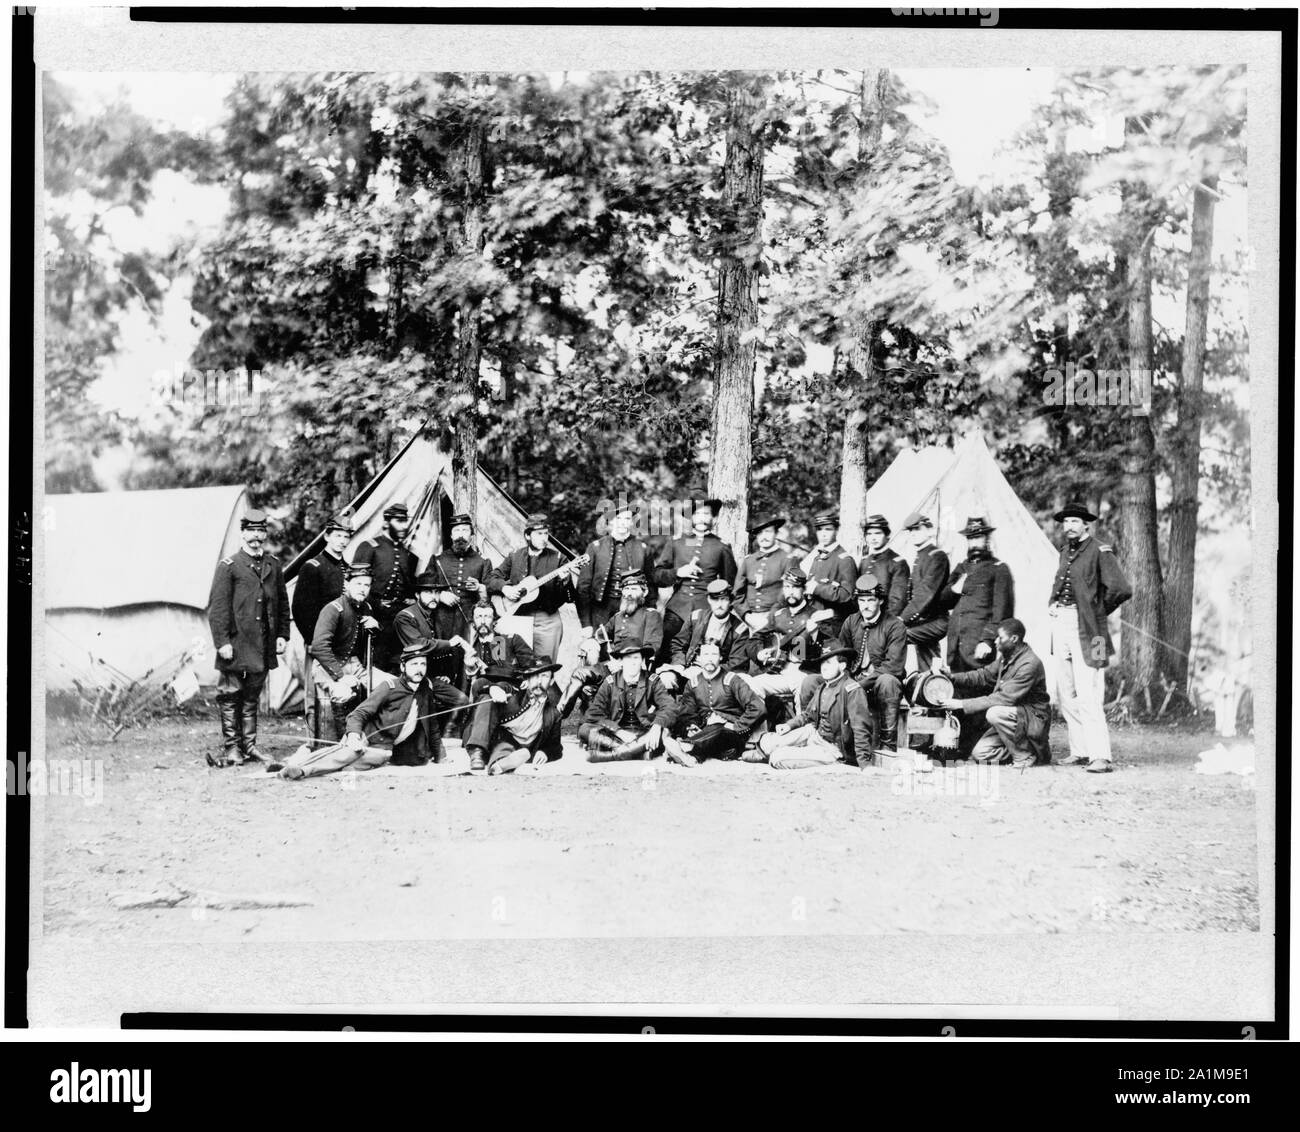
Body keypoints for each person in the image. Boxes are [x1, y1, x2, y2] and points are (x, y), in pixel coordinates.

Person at [275, 641, 451, 780]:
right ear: (403, 668)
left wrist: (441, 756)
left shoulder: (425, 691)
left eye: (423, 664)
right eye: (414, 664)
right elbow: (359, 714)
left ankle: (296, 766)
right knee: (349, 753)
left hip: (384, 751)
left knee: (351, 763)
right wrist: (353, 736)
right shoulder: (389, 687)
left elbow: (432, 726)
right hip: (365, 739)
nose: (419, 669)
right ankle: (301, 770)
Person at [1048, 502, 1133, 773]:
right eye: (1066, 522)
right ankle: (1080, 751)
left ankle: (1100, 756)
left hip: (1091, 631)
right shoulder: (1064, 552)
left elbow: (1120, 589)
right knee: (1066, 692)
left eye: (1075, 521)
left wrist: (1096, 611)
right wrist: (1052, 603)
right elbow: (1059, 584)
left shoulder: (1100, 550)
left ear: (1087, 524)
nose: (1069, 526)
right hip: (1061, 624)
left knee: (1089, 692)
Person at [206, 508, 290, 768]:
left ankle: (250, 746)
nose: (256, 536)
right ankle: (232, 748)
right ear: (242, 533)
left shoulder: (273, 565)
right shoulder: (229, 567)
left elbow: (282, 604)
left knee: (252, 696)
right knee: (231, 695)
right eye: (251, 531)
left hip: (263, 644)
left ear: (265, 533)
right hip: (236, 644)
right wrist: (222, 643)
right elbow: (217, 609)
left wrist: (282, 635)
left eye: (260, 531)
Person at [935, 618, 1051, 768]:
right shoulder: (1007, 658)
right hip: (1013, 719)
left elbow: (1004, 699)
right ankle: (1033, 751)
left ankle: (1023, 756)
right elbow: (983, 675)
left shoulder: (1029, 664)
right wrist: (952, 677)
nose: (995, 641)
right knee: (981, 754)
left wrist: (960, 704)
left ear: (1014, 639)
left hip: (1031, 719)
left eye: (1000, 638)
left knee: (994, 713)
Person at [557, 569, 664, 719]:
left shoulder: (651, 615)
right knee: (579, 674)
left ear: (644, 592)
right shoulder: (618, 617)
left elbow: (652, 647)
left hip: (635, 669)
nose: (628, 593)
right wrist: (592, 643)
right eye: (626, 589)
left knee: (590, 687)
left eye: (634, 589)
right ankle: (558, 717)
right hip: (611, 667)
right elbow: (600, 635)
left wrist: (623, 663)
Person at [757, 647, 875, 770]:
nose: (823, 667)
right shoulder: (823, 687)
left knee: (777, 758)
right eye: (822, 663)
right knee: (766, 742)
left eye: (828, 663)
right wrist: (789, 725)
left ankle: (817, 757)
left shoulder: (852, 690)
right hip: (815, 735)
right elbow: (808, 715)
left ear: (842, 666)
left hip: (834, 749)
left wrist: (864, 763)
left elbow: (861, 728)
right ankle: (788, 751)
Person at [309, 562, 388, 742]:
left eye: (367, 585)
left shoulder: (366, 608)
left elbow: (366, 645)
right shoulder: (333, 609)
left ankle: (377, 739)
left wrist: (375, 629)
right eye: (358, 583)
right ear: (347, 584)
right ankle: (344, 744)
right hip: (328, 668)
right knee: (343, 692)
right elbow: (319, 646)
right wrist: (340, 676)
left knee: (391, 685)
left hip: (356, 666)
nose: (363, 589)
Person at [290, 511, 352, 739]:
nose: (342, 541)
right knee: (315, 696)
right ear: (327, 536)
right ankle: (314, 742)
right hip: (319, 643)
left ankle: (340, 740)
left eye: (346, 537)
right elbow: (300, 610)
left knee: (340, 692)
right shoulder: (312, 567)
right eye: (337, 535)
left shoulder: (348, 569)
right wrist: (314, 641)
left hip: (342, 644)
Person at [652, 495, 738, 659]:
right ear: (691, 517)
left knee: (700, 656)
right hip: (677, 610)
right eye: (698, 514)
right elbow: (657, 576)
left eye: (706, 514)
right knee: (664, 653)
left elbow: (731, 585)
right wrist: (678, 572)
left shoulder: (721, 546)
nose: (702, 518)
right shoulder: (676, 542)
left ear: (713, 518)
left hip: (706, 611)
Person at [828, 576, 907, 753]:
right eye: (861, 600)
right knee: (815, 681)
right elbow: (842, 656)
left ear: (880, 600)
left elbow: (893, 666)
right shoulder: (851, 621)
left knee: (889, 681)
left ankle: (887, 745)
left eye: (871, 600)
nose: (865, 605)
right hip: (855, 681)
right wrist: (845, 679)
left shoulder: (895, 626)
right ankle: (830, 742)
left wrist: (860, 684)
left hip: (880, 686)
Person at [488, 512, 579, 665]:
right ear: (528, 536)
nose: (544, 538)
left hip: (547, 621)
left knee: (545, 667)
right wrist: (506, 589)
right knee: (514, 665)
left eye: (546, 534)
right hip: (517, 616)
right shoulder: (515, 556)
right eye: (539, 534)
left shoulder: (559, 559)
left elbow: (569, 597)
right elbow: (491, 579)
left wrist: (566, 580)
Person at [744, 565, 834, 714]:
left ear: (804, 590)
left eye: (795, 587)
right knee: (753, 685)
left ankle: (801, 731)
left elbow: (828, 650)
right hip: (778, 672)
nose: (790, 592)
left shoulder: (817, 615)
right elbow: (754, 640)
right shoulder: (778, 615)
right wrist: (759, 653)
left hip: (804, 673)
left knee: (802, 687)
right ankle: (759, 735)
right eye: (787, 587)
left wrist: (814, 635)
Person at [461, 600, 538, 771]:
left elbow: (530, 666)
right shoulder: (469, 649)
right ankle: (498, 761)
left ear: (494, 620)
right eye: (478, 616)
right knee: (487, 700)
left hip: (510, 699)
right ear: (473, 621)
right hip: (481, 705)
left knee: (491, 692)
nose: (482, 620)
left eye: (487, 616)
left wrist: (528, 677)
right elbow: (469, 687)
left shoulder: (507, 640)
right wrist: (471, 669)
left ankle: (477, 753)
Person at [662, 640, 765, 767]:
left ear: (721, 657)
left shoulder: (732, 680)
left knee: (718, 728)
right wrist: (692, 726)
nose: (710, 659)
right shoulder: (693, 683)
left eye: (714, 655)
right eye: (706, 655)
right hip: (707, 732)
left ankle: (686, 748)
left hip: (732, 734)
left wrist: (735, 726)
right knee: (709, 730)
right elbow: (688, 713)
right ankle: (691, 756)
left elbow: (758, 708)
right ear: (698, 658)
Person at [578, 640, 677, 762]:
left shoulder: (652, 681)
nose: (633, 662)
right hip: (617, 734)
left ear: (642, 661)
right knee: (585, 729)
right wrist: (618, 731)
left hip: (644, 732)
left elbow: (670, 707)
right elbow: (593, 714)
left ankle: (615, 755)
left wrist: (656, 726)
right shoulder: (610, 682)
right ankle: (631, 750)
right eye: (628, 658)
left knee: (663, 732)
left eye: (636, 658)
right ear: (621, 661)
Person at [941, 516, 1015, 674]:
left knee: (978, 693)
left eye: (978, 538)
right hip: (955, 646)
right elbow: (944, 601)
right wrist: (957, 587)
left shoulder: (999, 569)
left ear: (987, 540)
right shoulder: (962, 567)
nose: (974, 543)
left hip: (979, 646)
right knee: (956, 694)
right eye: (970, 538)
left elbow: (1002, 612)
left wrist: (987, 640)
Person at [352, 503, 418, 672]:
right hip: (374, 616)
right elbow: (356, 586)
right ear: (387, 522)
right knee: (374, 668)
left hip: (397, 621)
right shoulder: (369, 547)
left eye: (405, 521)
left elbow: (408, 587)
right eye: (399, 521)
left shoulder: (405, 553)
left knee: (398, 667)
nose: (404, 526)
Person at [477, 657, 566, 775]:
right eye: (534, 676)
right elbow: (485, 685)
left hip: (528, 747)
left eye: (544, 676)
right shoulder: (515, 693)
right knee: (502, 745)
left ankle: (505, 762)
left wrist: (545, 753)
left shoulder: (553, 713)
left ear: (551, 681)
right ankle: (500, 764)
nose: (539, 682)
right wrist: (494, 688)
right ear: (527, 679)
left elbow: (556, 747)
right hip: (503, 737)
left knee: (524, 752)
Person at [662, 578, 753, 691]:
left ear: (730, 601)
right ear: (709, 600)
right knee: (666, 678)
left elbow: (736, 663)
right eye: (715, 600)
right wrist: (679, 664)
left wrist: (708, 670)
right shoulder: (696, 617)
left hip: (718, 675)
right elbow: (678, 644)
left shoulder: (740, 629)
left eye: (724, 599)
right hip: (690, 669)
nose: (719, 604)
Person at [577, 504, 654, 636]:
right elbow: (583, 587)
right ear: (611, 520)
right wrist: (586, 623)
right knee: (601, 650)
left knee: (629, 651)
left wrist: (652, 610)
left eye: (627, 519)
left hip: (633, 609)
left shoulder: (643, 548)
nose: (623, 523)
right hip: (601, 611)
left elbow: (651, 584)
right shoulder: (595, 547)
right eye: (619, 518)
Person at [395, 569, 473, 688]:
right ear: (417, 595)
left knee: (461, 700)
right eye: (428, 592)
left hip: (431, 676)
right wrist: (449, 643)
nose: (433, 597)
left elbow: (441, 653)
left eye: (436, 592)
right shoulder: (405, 617)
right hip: (408, 677)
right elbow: (419, 645)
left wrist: (445, 674)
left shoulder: (435, 615)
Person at [429, 512, 494, 642]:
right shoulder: (437, 559)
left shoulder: (483, 561)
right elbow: (424, 588)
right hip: (441, 622)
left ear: (471, 534)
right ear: (451, 535)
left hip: (470, 622)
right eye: (456, 530)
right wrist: (440, 595)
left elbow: (489, 596)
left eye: (465, 530)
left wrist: (480, 588)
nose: (460, 534)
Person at [898, 511, 950, 668]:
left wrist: (903, 619)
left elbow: (926, 593)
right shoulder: (921, 556)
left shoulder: (937, 556)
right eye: (911, 531)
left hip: (936, 620)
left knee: (896, 635)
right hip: (922, 620)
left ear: (929, 530)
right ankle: (931, 686)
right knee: (929, 664)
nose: (913, 534)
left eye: (918, 529)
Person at [799, 510, 857, 636]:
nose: (823, 534)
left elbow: (848, 596)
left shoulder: (844, 560)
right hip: (812, 621)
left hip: (832, 626)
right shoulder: (817, 556)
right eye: (820, 530)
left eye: (828, 529)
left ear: (836, 530)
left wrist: (816, 588)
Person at [733, 514, 793, 631]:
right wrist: (746, 615)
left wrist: (769, 618)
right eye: (760, 533)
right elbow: (737, 594)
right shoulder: (748, 560)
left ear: (776, 534)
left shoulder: (787, 559)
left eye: (768, 532)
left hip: (775, 619)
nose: (763, 537)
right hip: (748, 619)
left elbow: (787, 593)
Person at [856, 514, 910, 617]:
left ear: (887, 535)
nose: (873, 538)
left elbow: (897, 601)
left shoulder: (897, 562)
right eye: (869, 534)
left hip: (885, 620)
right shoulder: (865, 561)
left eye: (878, 533)